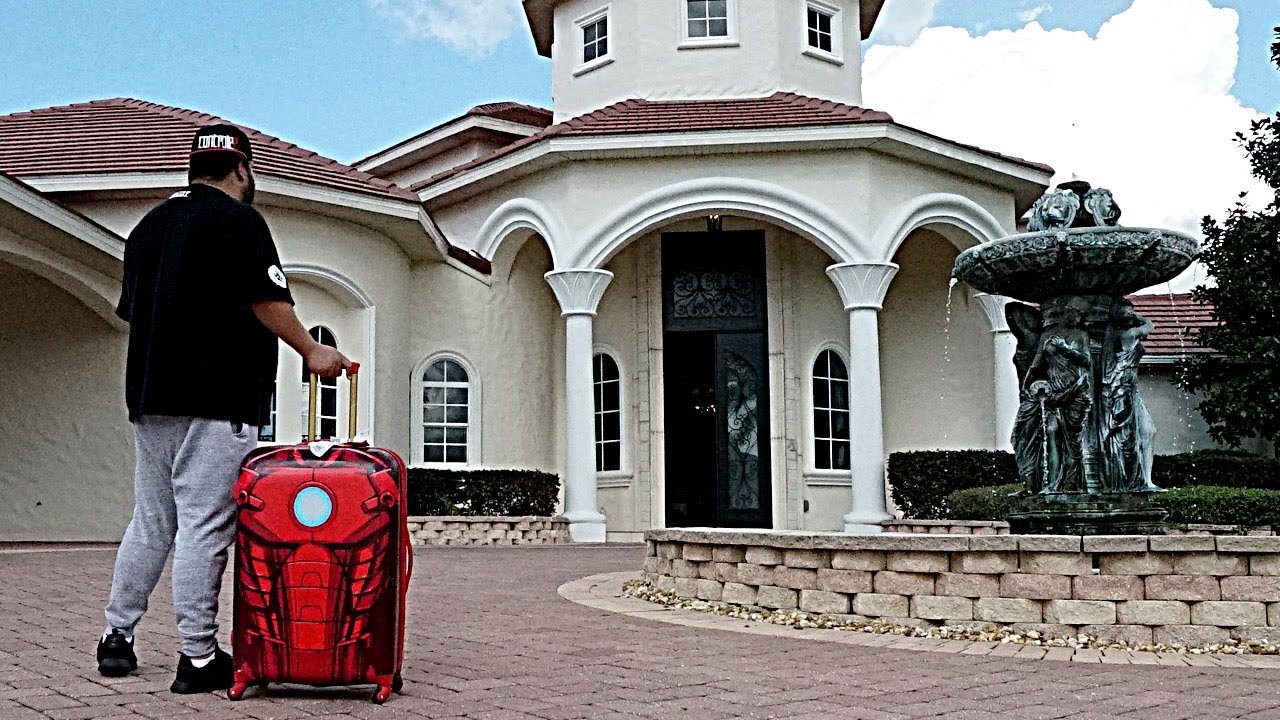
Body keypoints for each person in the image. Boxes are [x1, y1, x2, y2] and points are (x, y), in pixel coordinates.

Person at [96, 124, 350, 694]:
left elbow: (134, 312)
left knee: (152, 520)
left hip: (151, 398)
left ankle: (117, 637)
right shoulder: (240, 221)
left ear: (193, 168)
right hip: (217, 400)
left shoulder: (148, 228)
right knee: (205, 525)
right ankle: (199, 656)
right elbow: (269, 300)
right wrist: (311, 350)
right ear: (242, 169)